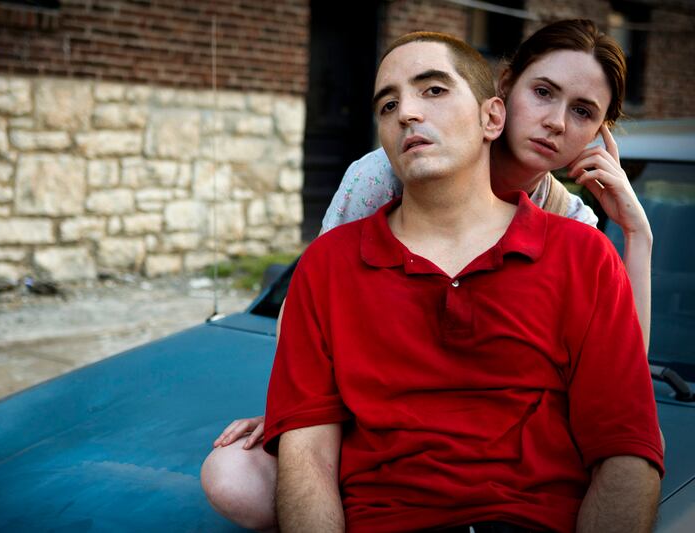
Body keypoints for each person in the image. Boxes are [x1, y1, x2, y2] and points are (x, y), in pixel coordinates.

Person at [200, 20, 657, 531]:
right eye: (543, 93)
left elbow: (622, 380)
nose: (554, 122)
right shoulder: (391, 167)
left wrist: (637, 236)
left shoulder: (574, 229)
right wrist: (298, 411)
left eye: (582, 112)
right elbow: (320, 299)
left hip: (513, 489)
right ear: (503, 94)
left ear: (598, 134)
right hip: (379, 441)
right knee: (236, 470)